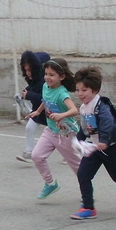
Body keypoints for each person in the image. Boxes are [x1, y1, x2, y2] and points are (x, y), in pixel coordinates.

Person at [71, 67, 116, 220]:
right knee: (83, 174)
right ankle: (88, 207)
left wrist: (104, 141)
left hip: (111, 148)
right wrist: (78, 140)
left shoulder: (101, 106)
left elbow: (107, 123)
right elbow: (86, 128)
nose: (80, 93)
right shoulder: (83, 108)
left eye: (84, 90)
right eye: (77, 90)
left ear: (94, 90)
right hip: (95, 148)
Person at [27, 58, 81, 200]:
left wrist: (61, 115)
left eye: (52, 75)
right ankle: (50, 183)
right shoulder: (45, 86)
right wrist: (38, 112)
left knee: (76, 165)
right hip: (51, 131)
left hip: (66, 133)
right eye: (46, 74)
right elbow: (45, 100)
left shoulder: (62, 94)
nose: (47, 77)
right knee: (36, 156)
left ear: (61, 77)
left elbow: (75, 110)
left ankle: (86, 188)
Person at [16, 50, 50, 163]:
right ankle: (30, 152)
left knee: (61, 133)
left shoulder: (43, 79)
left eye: (30, 70)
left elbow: (44, 97)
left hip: (49, 110)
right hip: (38, 110)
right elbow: (34, 88)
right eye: (26, 70)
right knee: (29, 128)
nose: (28, 73)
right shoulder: (32, 78)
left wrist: (29, 94)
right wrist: (27, 91)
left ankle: (74, 151)